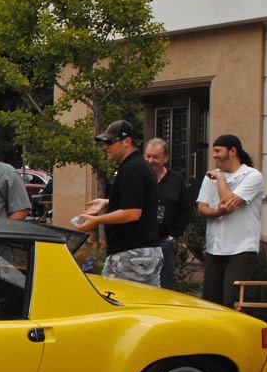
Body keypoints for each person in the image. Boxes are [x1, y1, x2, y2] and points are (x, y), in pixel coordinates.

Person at [75, 120, 162, 286]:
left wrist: (97, 220)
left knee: (125, 304)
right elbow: (140, 201)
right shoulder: (139, 166)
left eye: (109, 142)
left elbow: (132, 212)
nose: (105, 147)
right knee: (143, 305)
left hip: (132, 255)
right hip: (143, 252)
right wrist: (108, 202)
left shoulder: (131, 169)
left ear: (127, 142)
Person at [197, 134, 265, 308]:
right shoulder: (208, 177)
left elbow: (228, 202)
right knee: (210, 302)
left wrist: (220, 178)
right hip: (215, 247)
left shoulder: (252, 176)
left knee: (232, 301)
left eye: (218, 151)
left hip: (240, 248)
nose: (214, 156)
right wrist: (217, 212)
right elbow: (202, 209)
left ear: (233, 151)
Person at [144, 138, 193, 289]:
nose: (151, 160)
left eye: (155, 157)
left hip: (164, 243)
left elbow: (185, 209)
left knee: (163, 287)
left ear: (166, 158)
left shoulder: (176, 180)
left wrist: (173, 235)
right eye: (148, 156)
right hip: (140, 244)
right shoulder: (139, 178)